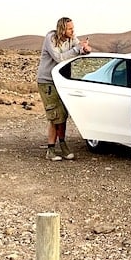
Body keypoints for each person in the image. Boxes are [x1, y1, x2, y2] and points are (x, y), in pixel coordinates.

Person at [36, 16, 91, 161]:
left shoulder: (72, 38)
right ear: (62, 29)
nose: (73, 31)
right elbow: (59, 57)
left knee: (63, 115)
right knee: (55, 115)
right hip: (47, 81)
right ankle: (51, 149)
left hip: (62, 81)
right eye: (70, 28)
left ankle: (62, 145)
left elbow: (79, 48)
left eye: (73, 28)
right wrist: (77, 50)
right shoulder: (51, 39)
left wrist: (84, 49)